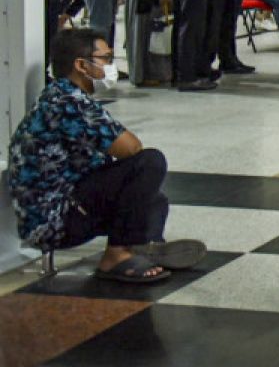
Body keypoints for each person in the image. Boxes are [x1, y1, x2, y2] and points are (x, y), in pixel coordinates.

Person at [5, 29, 207, 283]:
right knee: (149, 162)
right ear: (81, 65)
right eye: (106, 58)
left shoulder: (61, 96)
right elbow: (131, 148)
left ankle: (143, 245)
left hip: (68, 206)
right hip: (56, 219)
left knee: (154, 200)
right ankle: (118, 255)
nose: (110, 66)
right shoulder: (68, 102)